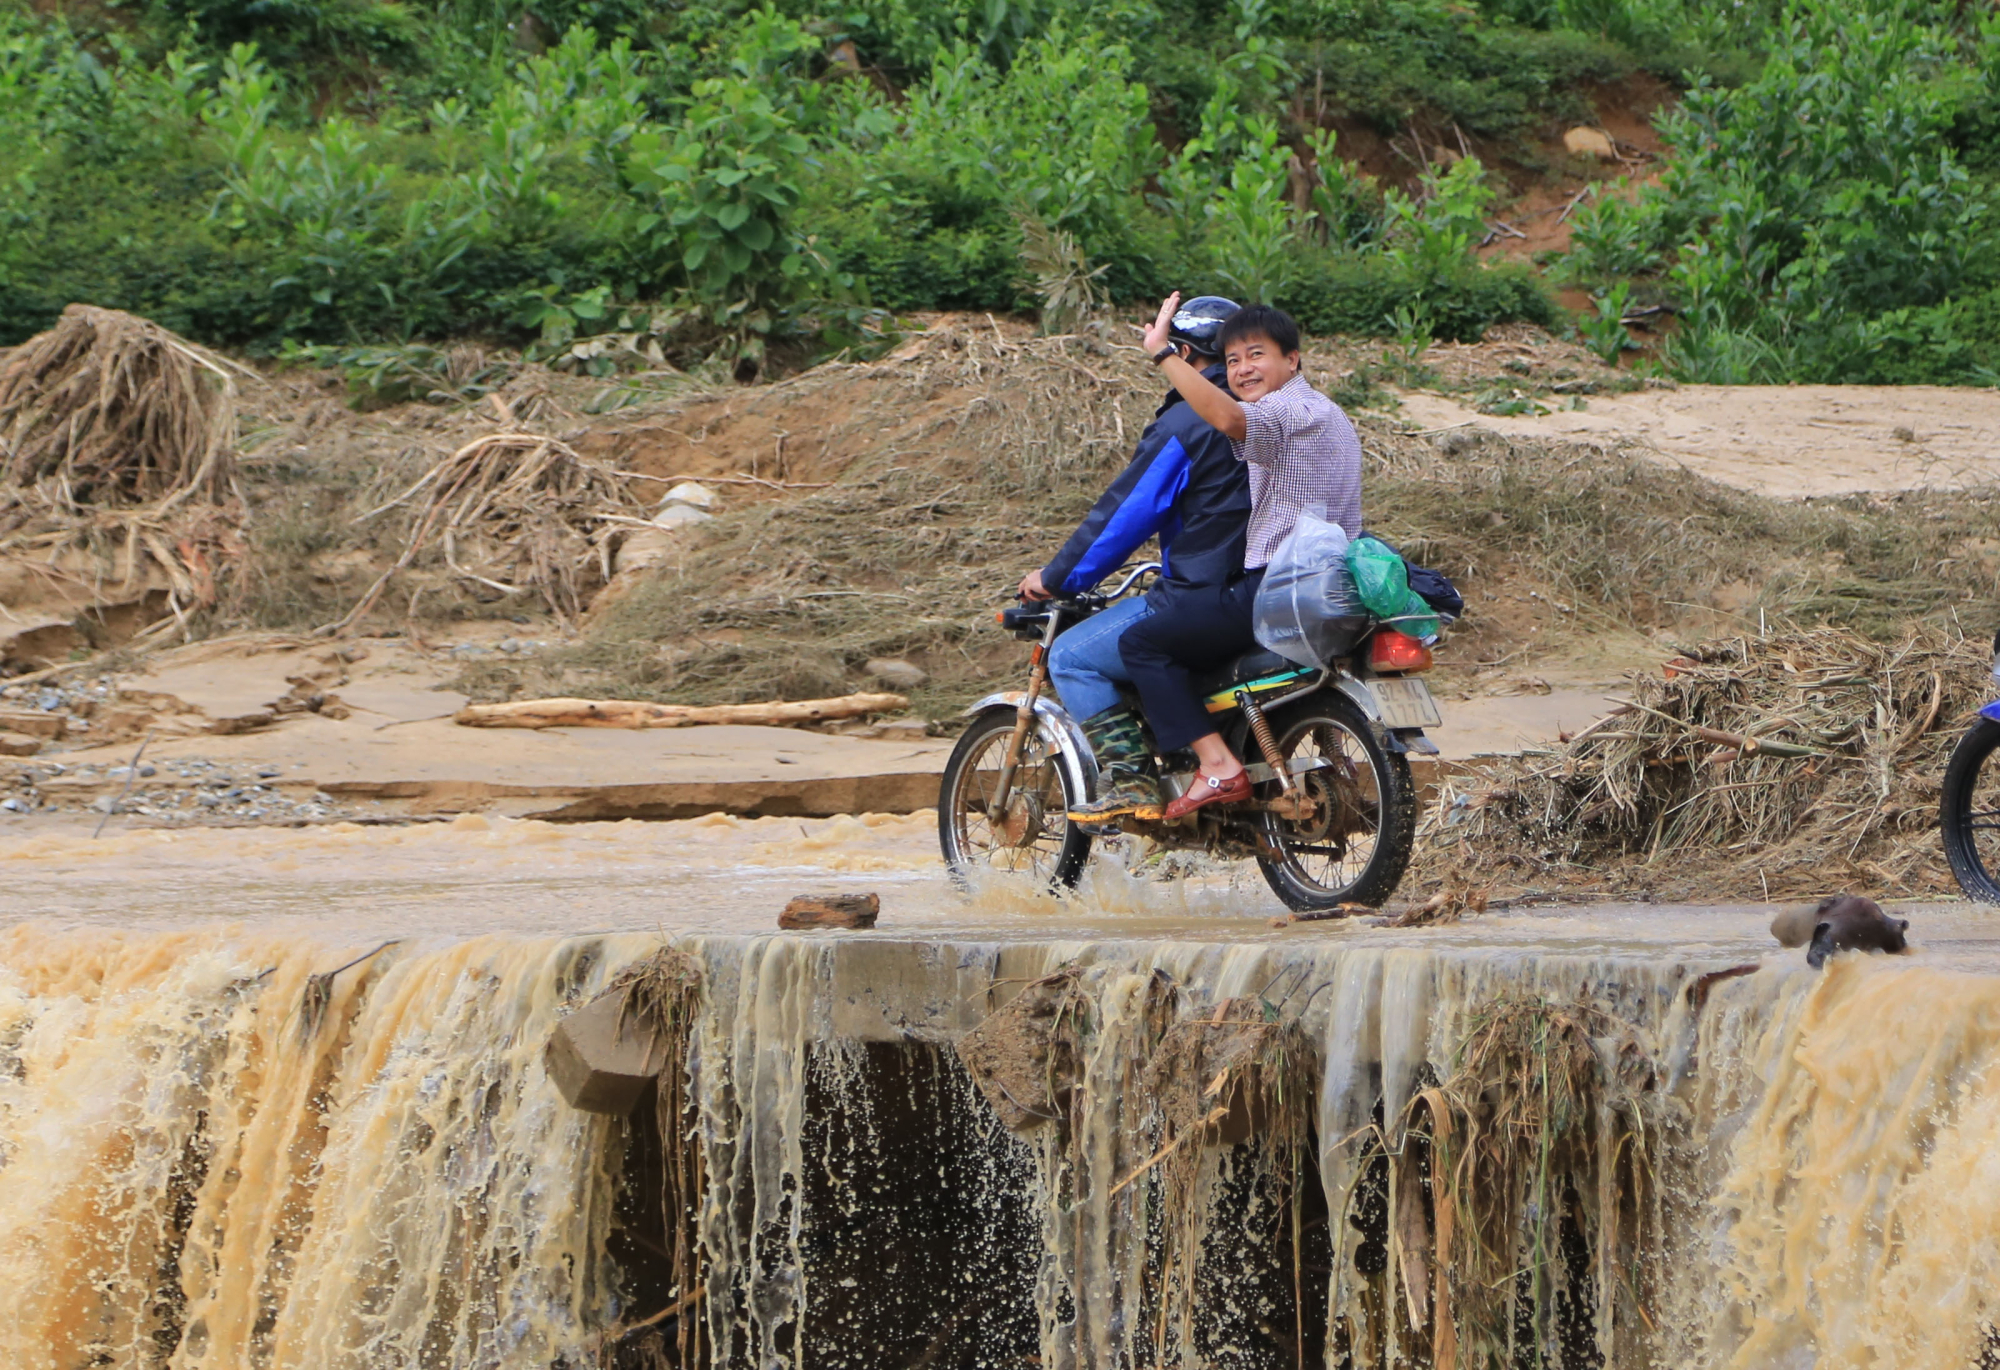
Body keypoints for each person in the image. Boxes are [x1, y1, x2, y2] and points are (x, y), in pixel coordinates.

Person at [1117, 293, 1363, 821]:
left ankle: (1217, 766)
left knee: (1141, 643)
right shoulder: (1330, 413)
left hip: (1280, 587)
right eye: (1232, 361)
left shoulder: (1279, 410)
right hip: (1335, 584)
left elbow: (1227, 418)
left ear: (1292, 359)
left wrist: (1163, 354)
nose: (1243, 370)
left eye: (1256, 355)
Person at [1017, 295, 1251, 825]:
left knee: (1073, 656)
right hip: (1278, 585)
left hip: (1207, 590)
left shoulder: (1188, 423)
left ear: (1184, 354)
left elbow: (1123, 516)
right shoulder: (1273, 410)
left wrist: (1057, 578)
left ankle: (1131, 778)